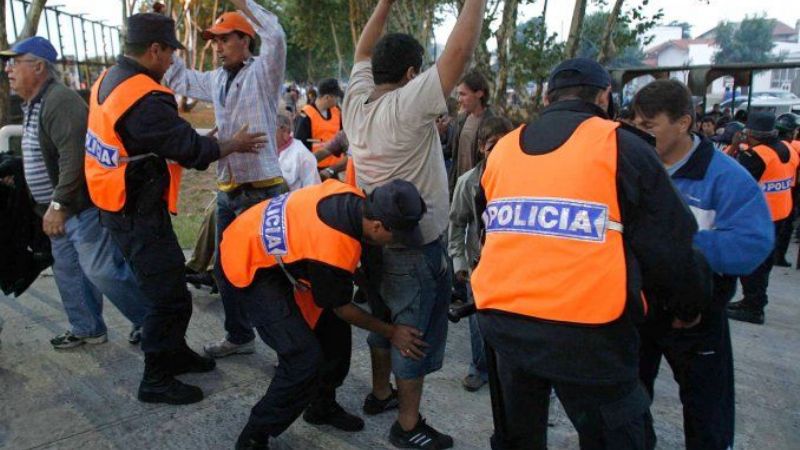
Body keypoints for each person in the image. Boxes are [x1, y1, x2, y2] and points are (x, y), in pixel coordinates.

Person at [470, 58, 712, 450]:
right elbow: (671, 244)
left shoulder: (505, 149)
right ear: (604, 97)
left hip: (505, 323)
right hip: (587, 334)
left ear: (547, 98)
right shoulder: (622, 147)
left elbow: (491, 228)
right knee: (618, 436)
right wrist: (688, 307)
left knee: (517, 436)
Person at [85, 13, 267, 405]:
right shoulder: (144, 96)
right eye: (169, 53)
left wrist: (196, 138)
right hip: (134, 210)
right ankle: (156, 377)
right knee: (166, 298)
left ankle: (176, 353)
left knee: (170, 291)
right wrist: (230, 144)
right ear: (154, 50)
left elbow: (156, 139)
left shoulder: (108, 80)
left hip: (117, 203)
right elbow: (189, 150)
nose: (171, 62)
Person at [341, 0, 486, 447]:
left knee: (383, 320)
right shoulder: (406, 106)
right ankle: (408, 425)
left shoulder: (355, 101)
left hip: (374, 243)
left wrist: (384, 4)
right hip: (414, 250)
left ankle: (380, 393)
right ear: (409, 75)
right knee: (412, 336)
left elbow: (363, 50)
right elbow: (456, 58)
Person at [219, 179, 429, 449]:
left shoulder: (354, 198)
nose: (397, 243)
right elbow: (342, 307)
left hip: (287, 252)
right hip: (248, 258)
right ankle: (254, 434)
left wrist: (381, 308)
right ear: (377, 226)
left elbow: (363, 271)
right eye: (397, 236)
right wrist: (391, 332)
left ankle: (321, 407)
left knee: (335, 338)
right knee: (302, 358)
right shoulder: (333, 247)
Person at [632, 79, 774, 450]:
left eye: (650, 126)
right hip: (640, 310)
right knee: (628, 407)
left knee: (707, 412)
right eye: (636, 125)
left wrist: (679, 245)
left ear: (683, 123)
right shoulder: (633, 168)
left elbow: (752, 245)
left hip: (697, 316)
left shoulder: (727, 178)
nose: (640, 134)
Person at [0, 36, 149, 348]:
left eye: (14, 62)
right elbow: (45, 153)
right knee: (69, 273)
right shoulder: (36, 102)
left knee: (103, 270)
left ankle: (153, 323)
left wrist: (59, 204)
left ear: (38, 66)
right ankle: (87, 328)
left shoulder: (60, 101)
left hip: (78, 208)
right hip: (57, 211)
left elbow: (75, 157)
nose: (8, 69)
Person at [163, 0, 289, 358]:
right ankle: (240, 336)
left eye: (223, 39)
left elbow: (275, 34)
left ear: (245, 40)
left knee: (271, 273)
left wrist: (243, 4)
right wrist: (164, 27)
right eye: (213, 41)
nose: (216, 47)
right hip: (228, 191)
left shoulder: (264, 73)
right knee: (224, 268)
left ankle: (289, 347)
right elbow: (177, 77)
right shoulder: (216, 79)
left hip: (262, 191)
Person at [448, 116, 513, 392]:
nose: (498, 152)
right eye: (492, 146)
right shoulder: (469, 182)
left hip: (513, 264)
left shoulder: (521, 179)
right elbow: (457, 223)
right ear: (481, 149)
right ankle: (479, 367)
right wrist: (459, 262)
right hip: (480, 264)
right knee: (478, 321)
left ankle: (510, 371)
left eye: (504, 145)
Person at [728, 112, 799, 324]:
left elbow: (736, 181)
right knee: (764, 262)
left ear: (750, 133)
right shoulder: (788, 149)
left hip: (758, 215)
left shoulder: (756, 155)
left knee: (754, 262)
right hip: (781, 212)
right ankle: (754, 300)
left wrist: (735, 147)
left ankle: (753, 306)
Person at [447, 70, 494, 194]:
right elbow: (451, 152)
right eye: (458, 95)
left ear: (479, 93)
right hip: (458, 188)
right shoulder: (461, 120)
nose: (459, 99)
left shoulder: (492, 124)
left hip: (478, 191)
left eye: (463, 94)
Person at [295, 78, 346, 176]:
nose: (337, 101)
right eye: (336, 98)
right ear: (327, 97)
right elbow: (299, 146)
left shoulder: (337, 112)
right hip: (313, 170)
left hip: (333, 169)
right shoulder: (306, 115)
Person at [773, 113, 800, 268]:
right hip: (789, 191)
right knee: (786, 226)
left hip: (772, 193)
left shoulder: (767, 147)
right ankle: (779, 257)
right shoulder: (794, 146)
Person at [277, 113, 321, 191]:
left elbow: (313, 190)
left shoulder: (302, 154)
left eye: (269, 130)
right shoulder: (266, 151)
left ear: (285, 131)